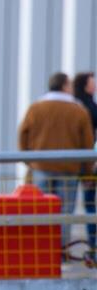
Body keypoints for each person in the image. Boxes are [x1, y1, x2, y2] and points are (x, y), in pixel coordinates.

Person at [18, 72, 95, 248]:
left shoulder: (35, 108)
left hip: (41, 166)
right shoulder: (78, 110)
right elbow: (87, 142)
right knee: (65, 212)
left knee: (40, 210)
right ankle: (61, 250)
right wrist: (87, 170)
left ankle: (40, 249)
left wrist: (29, 160)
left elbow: (23, 135)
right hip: (69, 168)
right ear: (65, 86)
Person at [72, 71, 97, 261]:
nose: (94, 84)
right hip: (88, 162)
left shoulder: (75, 105)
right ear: (85, 85)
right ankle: (93, 246)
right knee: (89, 205)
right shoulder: (85, 107)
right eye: (92, 82)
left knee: (75, 206)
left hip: (76, 162)